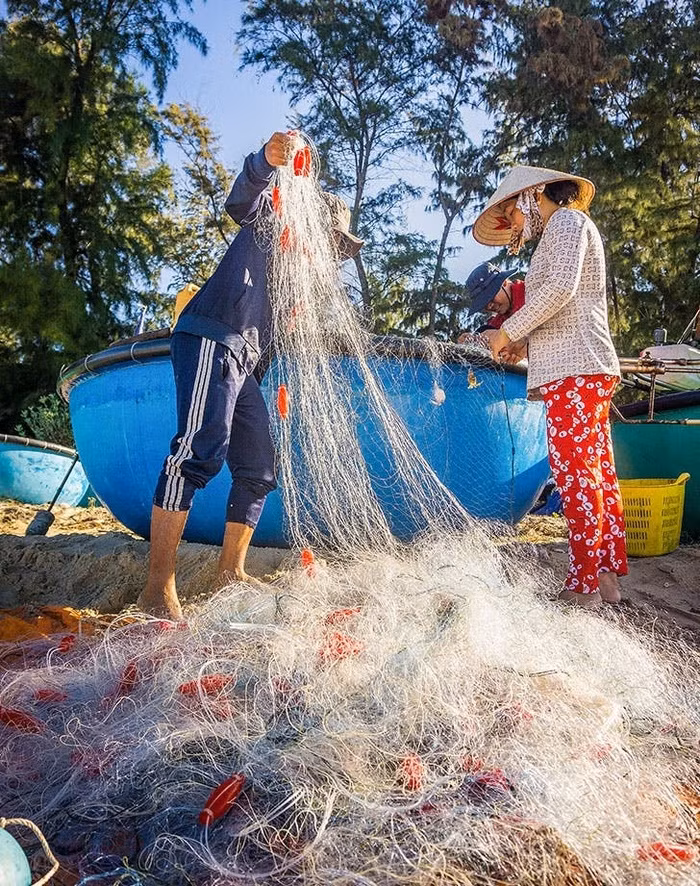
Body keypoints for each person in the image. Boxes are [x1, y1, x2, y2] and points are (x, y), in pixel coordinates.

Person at [138, 131, 364, 620]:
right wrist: (265, 158)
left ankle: (229, 572)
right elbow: (242, 199)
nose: (332, 252)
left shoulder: (295, 282)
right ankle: (157, 587)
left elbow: (275, 337)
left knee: (260, 468)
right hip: (213, 337)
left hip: (244, 362)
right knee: (198, 449)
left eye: (338, 249)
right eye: (331, 241)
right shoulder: (269, 222)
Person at [473, 165, 627, 609]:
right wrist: (522, 342)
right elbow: (565, 306)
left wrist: (508, 331)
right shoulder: (567, 228)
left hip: (575, 372)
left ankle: (582, 587)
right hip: (583, 365)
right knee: (597, 476)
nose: (517, 226)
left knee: (577, 477)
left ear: (533, 194)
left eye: (515, 215)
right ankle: (605, 578)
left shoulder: (565, 221)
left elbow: (559, 288)